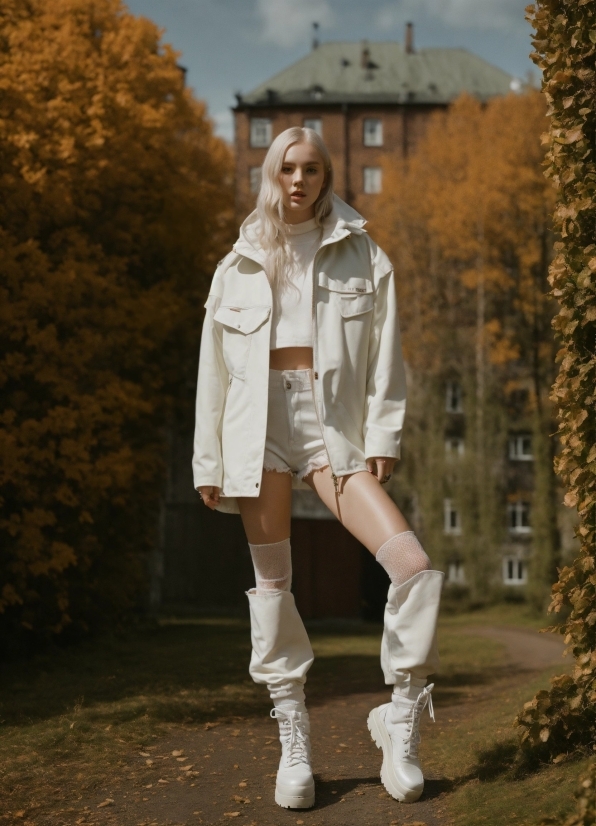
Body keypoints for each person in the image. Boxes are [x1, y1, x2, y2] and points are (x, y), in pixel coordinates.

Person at [193, 126, 443, 810]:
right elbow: (213, 372)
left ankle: (398, 720)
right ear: (270, 177)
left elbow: (388, 353)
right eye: (286, 169)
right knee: (273, 584)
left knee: (412, 566)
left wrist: (382, 430)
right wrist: (208, 458)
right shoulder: (236, 265)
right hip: (255, 429)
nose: (298, 180)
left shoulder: (364, 254)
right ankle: (293, 733)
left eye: (310, 169)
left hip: (329, 427)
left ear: (326, 179)